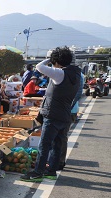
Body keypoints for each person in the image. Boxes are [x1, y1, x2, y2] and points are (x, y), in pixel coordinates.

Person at [21, 46, 82, 182]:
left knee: (45, 144)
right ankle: (51, 171)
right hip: (65, 115)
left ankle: (37, 172)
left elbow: (39, 66)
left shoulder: (60, 73)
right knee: (57, 145)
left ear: (57, 61)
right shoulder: (76, 75)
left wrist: (50, 58)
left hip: (53, 114)